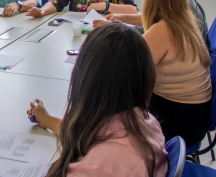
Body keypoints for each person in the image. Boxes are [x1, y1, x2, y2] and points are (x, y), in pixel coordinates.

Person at [28, 23, 168, 177]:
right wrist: (48, 120)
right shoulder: (145, 122)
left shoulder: (101, 166)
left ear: (86, 80)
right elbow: (88, 136)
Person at [142, 0, 212, 146]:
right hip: (193, 118)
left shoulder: (162, 30)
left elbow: (130, 72)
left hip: (178, 126)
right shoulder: (187, 24)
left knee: (110, 114)